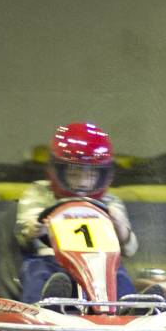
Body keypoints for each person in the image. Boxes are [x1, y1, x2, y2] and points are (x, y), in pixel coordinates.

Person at [15, 121, 139, 302]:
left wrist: (121, 229)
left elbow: (130, 249)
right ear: (58, 171)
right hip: (51, 260)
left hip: (100, 264)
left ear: (103, 174)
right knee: (36, 271)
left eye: (90, 175)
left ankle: (129, 308)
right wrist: (35, 228)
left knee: (119, 274)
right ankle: (44, 305)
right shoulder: (40, 192)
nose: (82, 182)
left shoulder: (110, 202)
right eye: (74, 174)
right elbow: (25, 227)